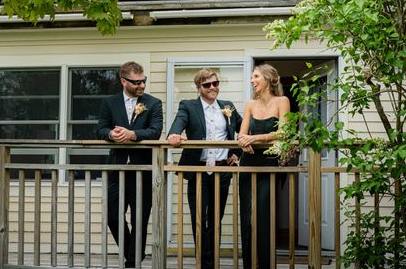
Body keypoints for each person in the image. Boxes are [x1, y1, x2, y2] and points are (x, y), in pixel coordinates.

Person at [167, 68, 242, 269]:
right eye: (207, 85)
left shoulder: (228, 106)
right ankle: (204, 262)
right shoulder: (188, 106)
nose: (213, 88)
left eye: (215, 83)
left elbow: (245, 130)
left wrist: (237, 153)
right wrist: (174, 135)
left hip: (222, 171)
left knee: (216, 217)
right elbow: (178, 123)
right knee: (199, 217)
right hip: (197, 171)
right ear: (198, 87)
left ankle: (213, 259)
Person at [95, 61, 163, 268]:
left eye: (144, 81)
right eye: (136, 82)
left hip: (143, 169)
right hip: (116, 167)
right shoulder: (109, 102)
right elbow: (100, 129)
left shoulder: (153, 103)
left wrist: (133, 134)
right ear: (123, 81)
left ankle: (132, 262)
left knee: (139, 218)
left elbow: (155, 131)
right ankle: (132, 252)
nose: (142, 85)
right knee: (112, 216)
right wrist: (110, 134)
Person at [237, 64, 290, 269]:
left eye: (256, 76)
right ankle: (249, 264)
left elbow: (283, 133)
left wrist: (254, 138)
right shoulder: (250, 104)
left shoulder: (282, 101)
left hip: (269, 164)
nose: (252, 80)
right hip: (247, 163)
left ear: (268, 79)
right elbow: (242, 134)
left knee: (264, 215)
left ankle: (266, 264)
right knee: (247, 215)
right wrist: (244, 142)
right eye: (252, 77)